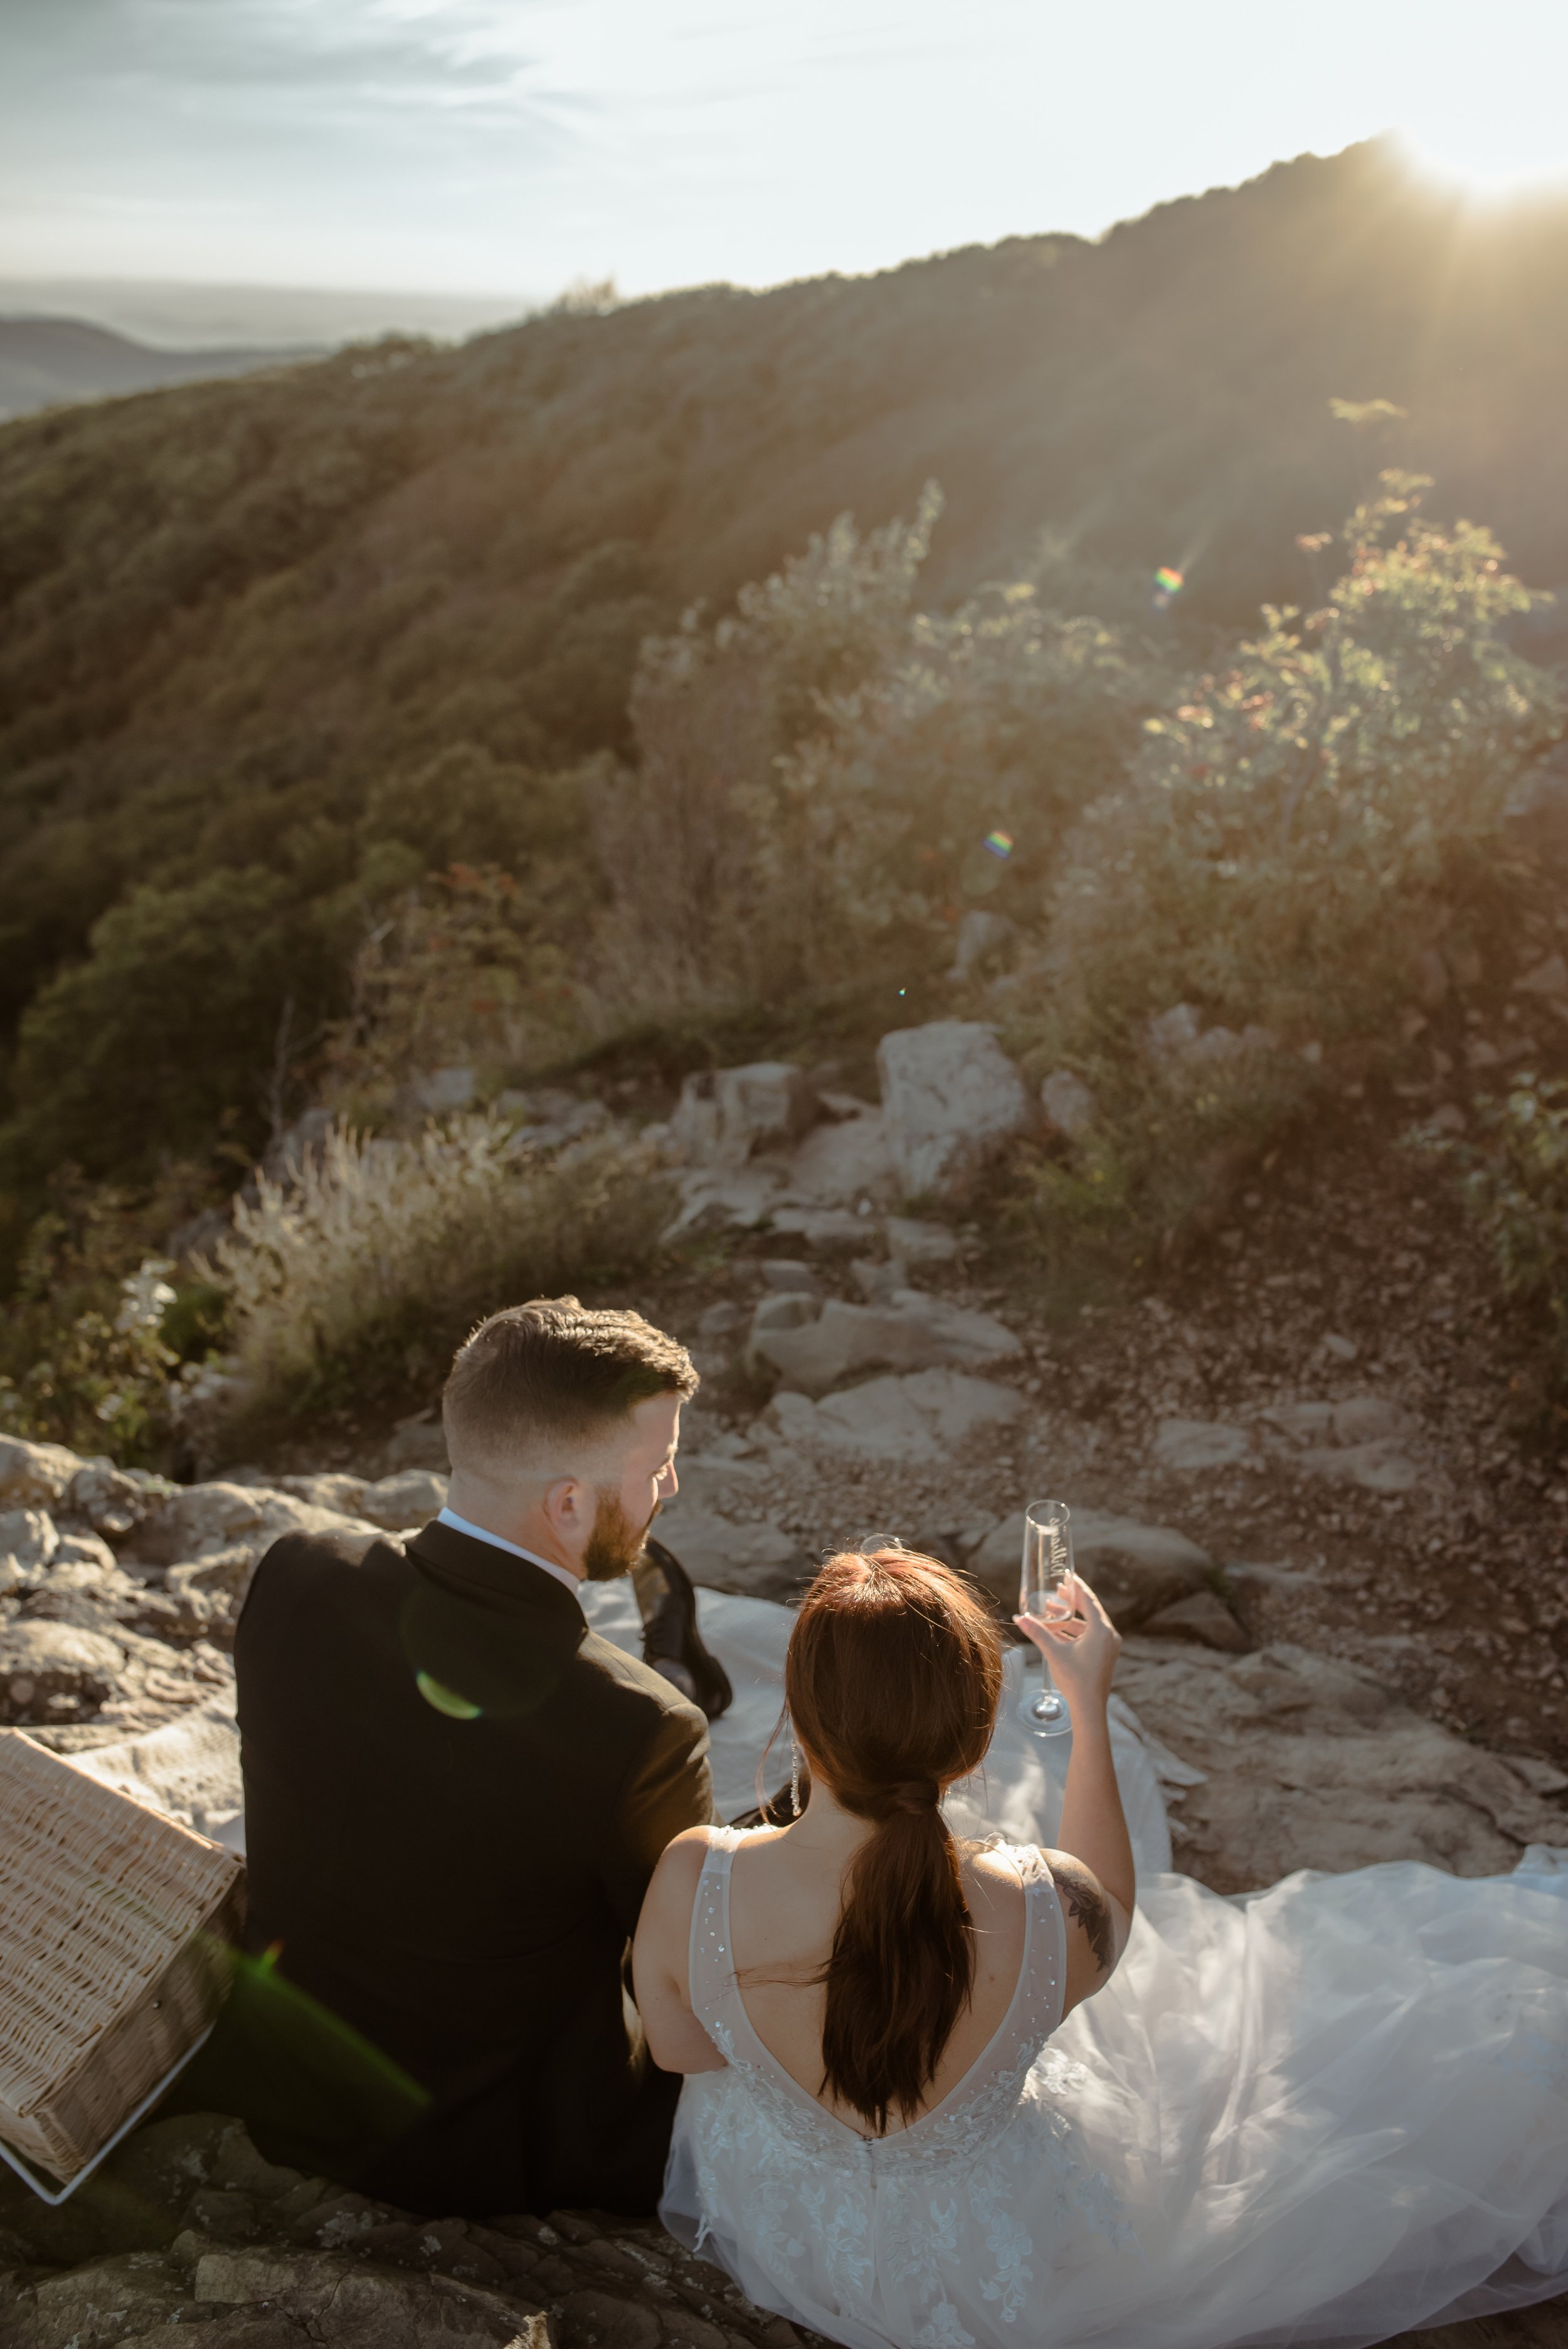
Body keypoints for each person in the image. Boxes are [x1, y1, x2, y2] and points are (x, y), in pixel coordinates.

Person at [634, 1549, 1568, 2349]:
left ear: (798, 1715)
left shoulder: (695, 1878)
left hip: (793, 2246)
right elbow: (1114, 1904)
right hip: (1014, 2261)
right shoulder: (1045, 1908)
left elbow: (680, 2050)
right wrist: (1089, 1702)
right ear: (972, 1741)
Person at [189, 1296, 718, 2217]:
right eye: (659, 1466)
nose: (668, 1489)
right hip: (479, 2157)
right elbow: (686, 1980)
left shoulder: (295, 1572)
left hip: (276, 2092)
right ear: (566, 1502)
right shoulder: (642, 1728)